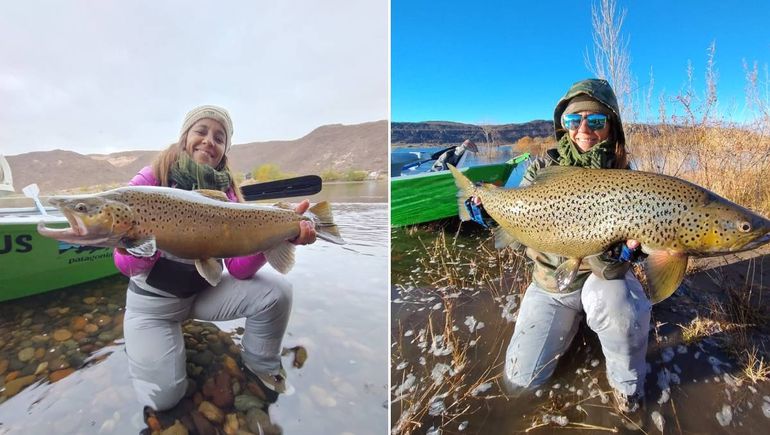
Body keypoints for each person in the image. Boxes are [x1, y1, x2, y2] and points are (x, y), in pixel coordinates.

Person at [114, 105, 317, 411]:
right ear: (185, 137)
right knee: (162, 400)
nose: (209, 140)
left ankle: (260, 365)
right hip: (152, 308)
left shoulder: (228, 194)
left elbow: (238, 270)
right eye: (201, 131)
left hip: (202, 294)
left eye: (219, 137)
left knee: (278, 292)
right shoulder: (150, 180)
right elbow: (127, 268)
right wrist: (135, 240)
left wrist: (273, 237)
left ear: (224, 150)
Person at [496, 79, 650, 413]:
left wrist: (631, 253)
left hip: (604, 281)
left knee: (619, 307)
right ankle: (574, 324)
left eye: (595, 121)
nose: (584, 129)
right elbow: (516, 214)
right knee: (520, 382)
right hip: (552, 283)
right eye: (573, 120)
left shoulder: (625, 172)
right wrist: (487, 213)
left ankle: (628, 387)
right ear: (562, 125)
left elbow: (640, 243)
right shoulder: (539, 167)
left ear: (611, 126)